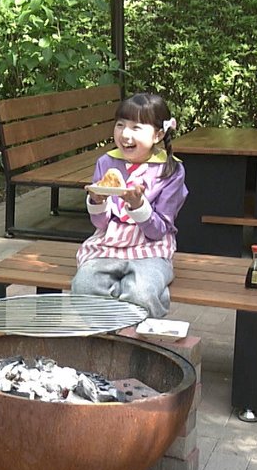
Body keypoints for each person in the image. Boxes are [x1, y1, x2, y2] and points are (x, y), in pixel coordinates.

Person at [71, 92, 188, 317]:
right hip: (108, 244)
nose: (125, 134)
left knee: (141, 292)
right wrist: (97, 201)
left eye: (136, 128)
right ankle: (105, 332)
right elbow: (100, 223)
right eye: (120, 125)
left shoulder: (171, 170)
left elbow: (158, 231)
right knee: (84, 286)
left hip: (151, 249)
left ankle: (132, 335)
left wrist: (138, 206)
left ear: (158, 134)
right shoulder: (106, 162)